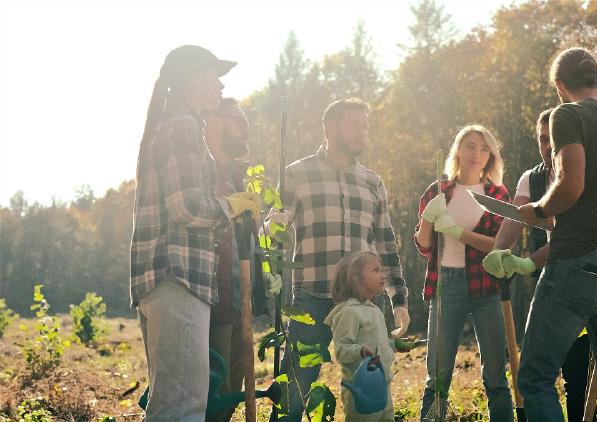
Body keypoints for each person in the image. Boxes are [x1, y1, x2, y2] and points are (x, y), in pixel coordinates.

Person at [512, 47, 597, 422]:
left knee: (535, 378)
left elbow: (570, 186)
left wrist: (538, 210)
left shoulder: (566, 114)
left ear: (559, 85)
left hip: (576, 261)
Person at [130, 45, 260, 421]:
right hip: (179, 278)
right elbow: (186, 205)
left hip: (167, 280)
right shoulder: (182, 126)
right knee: (182, 407)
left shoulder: (173, 124)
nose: (220, 85)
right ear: (192, 79)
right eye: (213, 75)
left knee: (173, 401)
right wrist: (232, 205)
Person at [268, 98, 410, 421]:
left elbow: (386, 246)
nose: (362, 133)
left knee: (369, 393)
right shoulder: (297, 174)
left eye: (365, 126)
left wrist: (398, 299)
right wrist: (269, 227)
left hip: (362, 307)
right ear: (330, 127)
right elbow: (277, 222)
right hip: (311, 300)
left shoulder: (373, 183)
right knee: (294, 391)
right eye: (354, 125)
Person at [486, 108, 597, 422]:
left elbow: (571, 235)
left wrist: (527, 263)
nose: (548, 146)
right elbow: (516, 217)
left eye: (553, 138)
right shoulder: (533, 178)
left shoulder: (585, 174)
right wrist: (498, 251)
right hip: (557, 282)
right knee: (551, 370)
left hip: (593, 277)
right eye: (542, 140)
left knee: (584, 374)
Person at [415, 124, 514, 421]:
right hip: (447, 286)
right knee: (438, 376)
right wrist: (429, 220)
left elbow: (499, 245)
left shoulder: (497, 194)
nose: (476, 153)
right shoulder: (438, 191)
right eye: (470, 145)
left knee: (496, 374)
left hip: (487, 289)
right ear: (458, 150)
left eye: (484, 148)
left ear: (490, 157)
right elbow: (423, 244)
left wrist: (456, 231)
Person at [203, 98, 281, 421]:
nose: (245, 129)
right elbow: (200, 213)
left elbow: (246, 238)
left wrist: (268, 230)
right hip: (212, 295)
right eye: (238, 121)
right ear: (216, 123)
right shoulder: (203, 168)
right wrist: (232, 203)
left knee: (235, 385)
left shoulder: (240, 176)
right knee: (213, 388)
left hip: (240, 297)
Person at [325, 252, 414, 421]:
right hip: (360, 389)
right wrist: (360, 351)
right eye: (376, 270)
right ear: (355, 278)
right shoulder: (348, 312)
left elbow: (376, 343)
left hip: (381, 385)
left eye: (382, 270)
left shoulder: (373, 309)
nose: (383, 275)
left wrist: (395, 345)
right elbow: (341, 349)